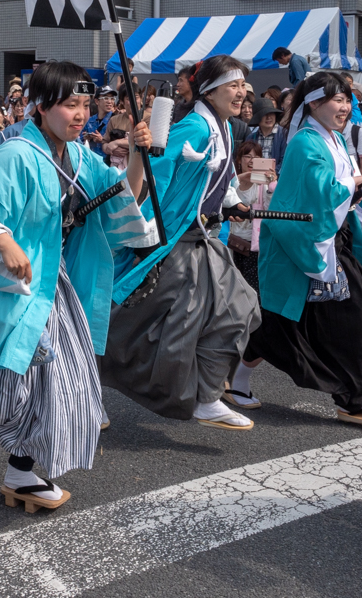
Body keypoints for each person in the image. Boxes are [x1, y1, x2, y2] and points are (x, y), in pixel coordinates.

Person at [0, 62, 156, 510]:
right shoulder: (16, 155)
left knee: (60, 384)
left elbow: (119, 200)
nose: (81, 114)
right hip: (14, 284)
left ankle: (22, 470)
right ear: (43, 105)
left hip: (54, 285)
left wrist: (140, 156)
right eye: (71, 104)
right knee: (5, 380)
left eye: (86, 105)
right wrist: (4, 241)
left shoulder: (82, 157)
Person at [101, 55, 262, 431]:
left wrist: (231, 203)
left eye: (242, 86)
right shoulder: (195, 128)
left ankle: (205, 396)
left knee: (238, 309)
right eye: (233, 86)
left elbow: (215, 178)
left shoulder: (221, 126)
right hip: (177, 242)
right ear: (209, 90)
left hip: (203, 239)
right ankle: (84, 380)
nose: (241, 93)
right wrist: (143, 230)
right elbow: (153, 176)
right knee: (156, 326)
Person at [229, 71, 362, 423]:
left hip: (328, 240)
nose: (345, 106)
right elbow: (321, 189)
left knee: (297, 322)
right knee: (323, 321)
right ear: (314, 103)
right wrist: (351, 184)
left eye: (348, 100)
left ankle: (348, 396)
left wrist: (351, 188)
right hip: (305, 240)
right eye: (337, 99)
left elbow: (333, 190)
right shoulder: (306, 141)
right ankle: (351, 399)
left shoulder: (332, 138)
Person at [228, 140, 276, 292]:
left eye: (257, 157)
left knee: (251, 289)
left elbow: (270, 210)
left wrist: (271, 186)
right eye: (247, 156)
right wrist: (241, 177)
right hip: (232, 243)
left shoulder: (263, 185)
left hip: (254, 246)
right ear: (239, 159)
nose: (251, 161)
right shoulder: (231, 183)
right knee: (233, 289)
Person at [244, 98, 288, 169]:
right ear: (257, 118)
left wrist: (270, 173)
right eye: (264, 114)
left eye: (271, 113)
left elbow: (286, 162)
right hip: (255, 178)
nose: (269, 117)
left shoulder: (285, 134)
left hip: (277, 178)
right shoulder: (251, 138)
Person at [82, 86, 116, 157]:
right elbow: (78, 139)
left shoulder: (116, 120)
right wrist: (85, 137)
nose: (109, 102)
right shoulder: (89, 121)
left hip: (110, 163)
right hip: (92, 161)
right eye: (105, 98)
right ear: (97, 101)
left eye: (112, 98)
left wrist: (102, 140)